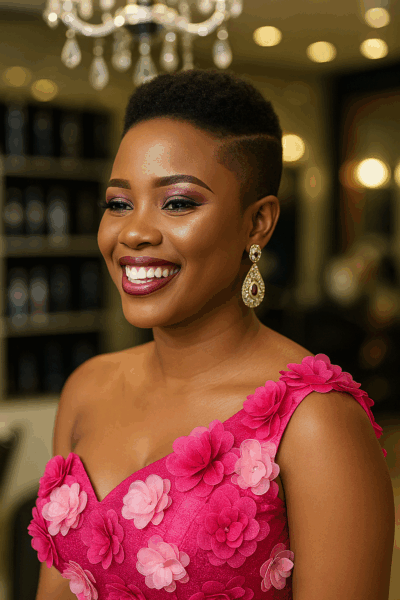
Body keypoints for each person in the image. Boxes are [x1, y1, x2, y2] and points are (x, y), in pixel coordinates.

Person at [30, 68, 394, 600]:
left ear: (258, 222)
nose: (134, 232)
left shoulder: (316, 423)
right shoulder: (86, 388)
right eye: (119, 203)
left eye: (178, 202)